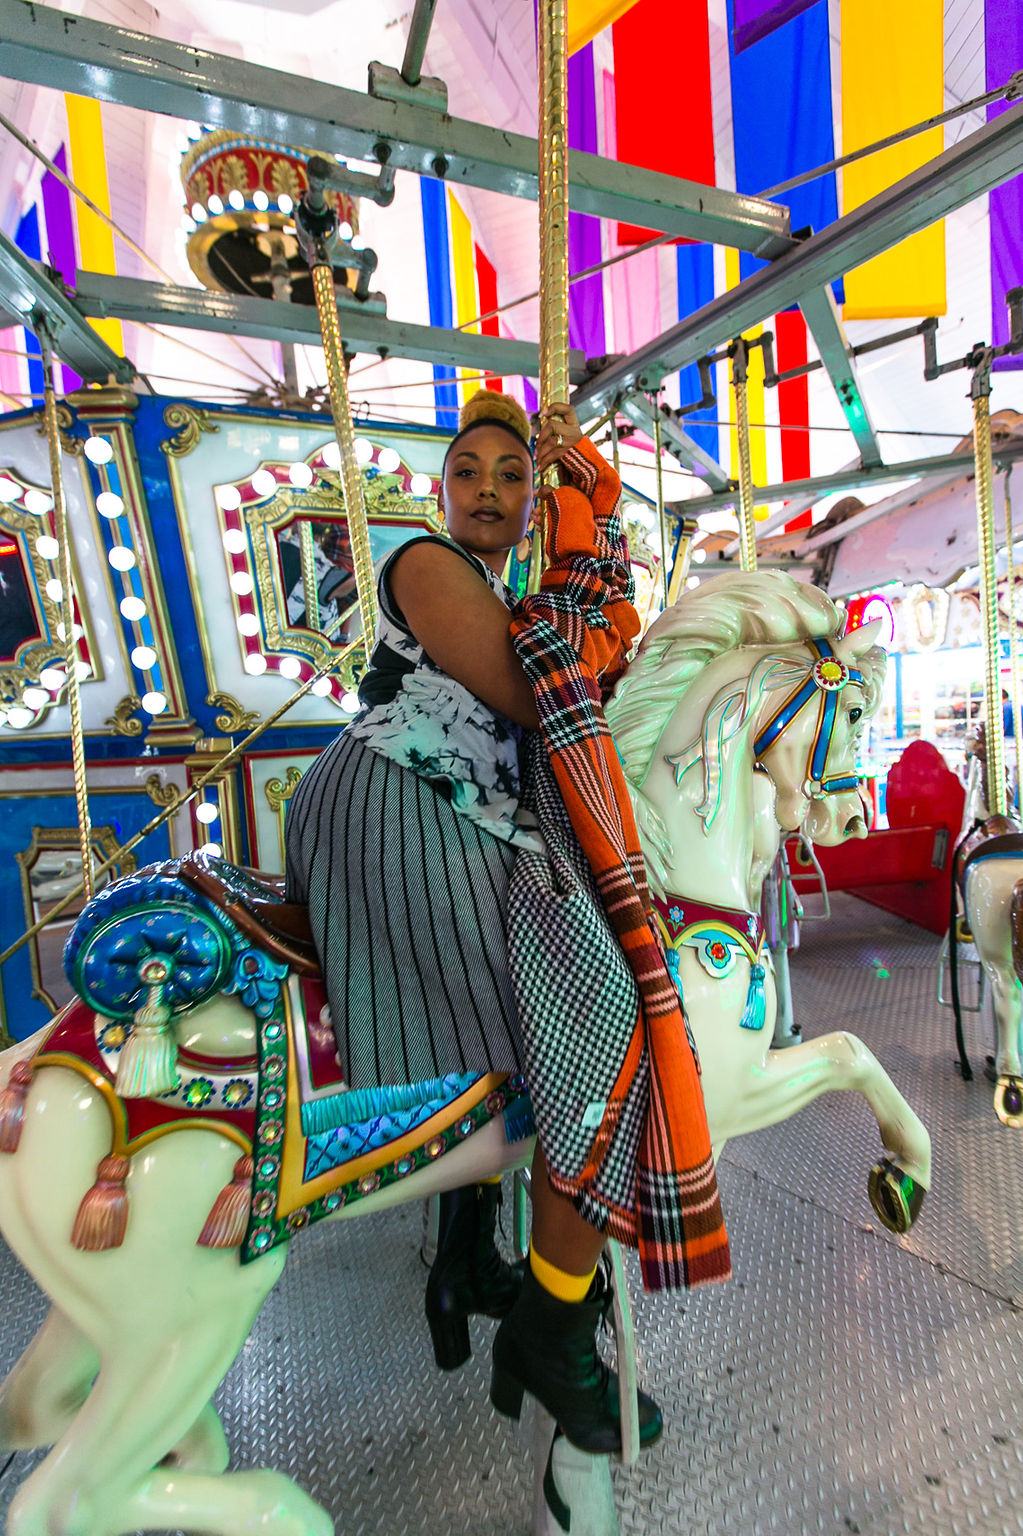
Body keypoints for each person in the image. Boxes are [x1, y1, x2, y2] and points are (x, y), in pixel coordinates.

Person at [285, 390, 662, 1452]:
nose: (490, 488)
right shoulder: (424, 563)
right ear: (441, 491)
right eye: (470, 472)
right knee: (590, 1006)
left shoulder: (508, 588)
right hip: (398, 795)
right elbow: (530, 689)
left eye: (512, 475)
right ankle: (549, 1329)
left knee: (525, 990)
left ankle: (466, 1254)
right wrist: (580, 562)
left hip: (452, 797)